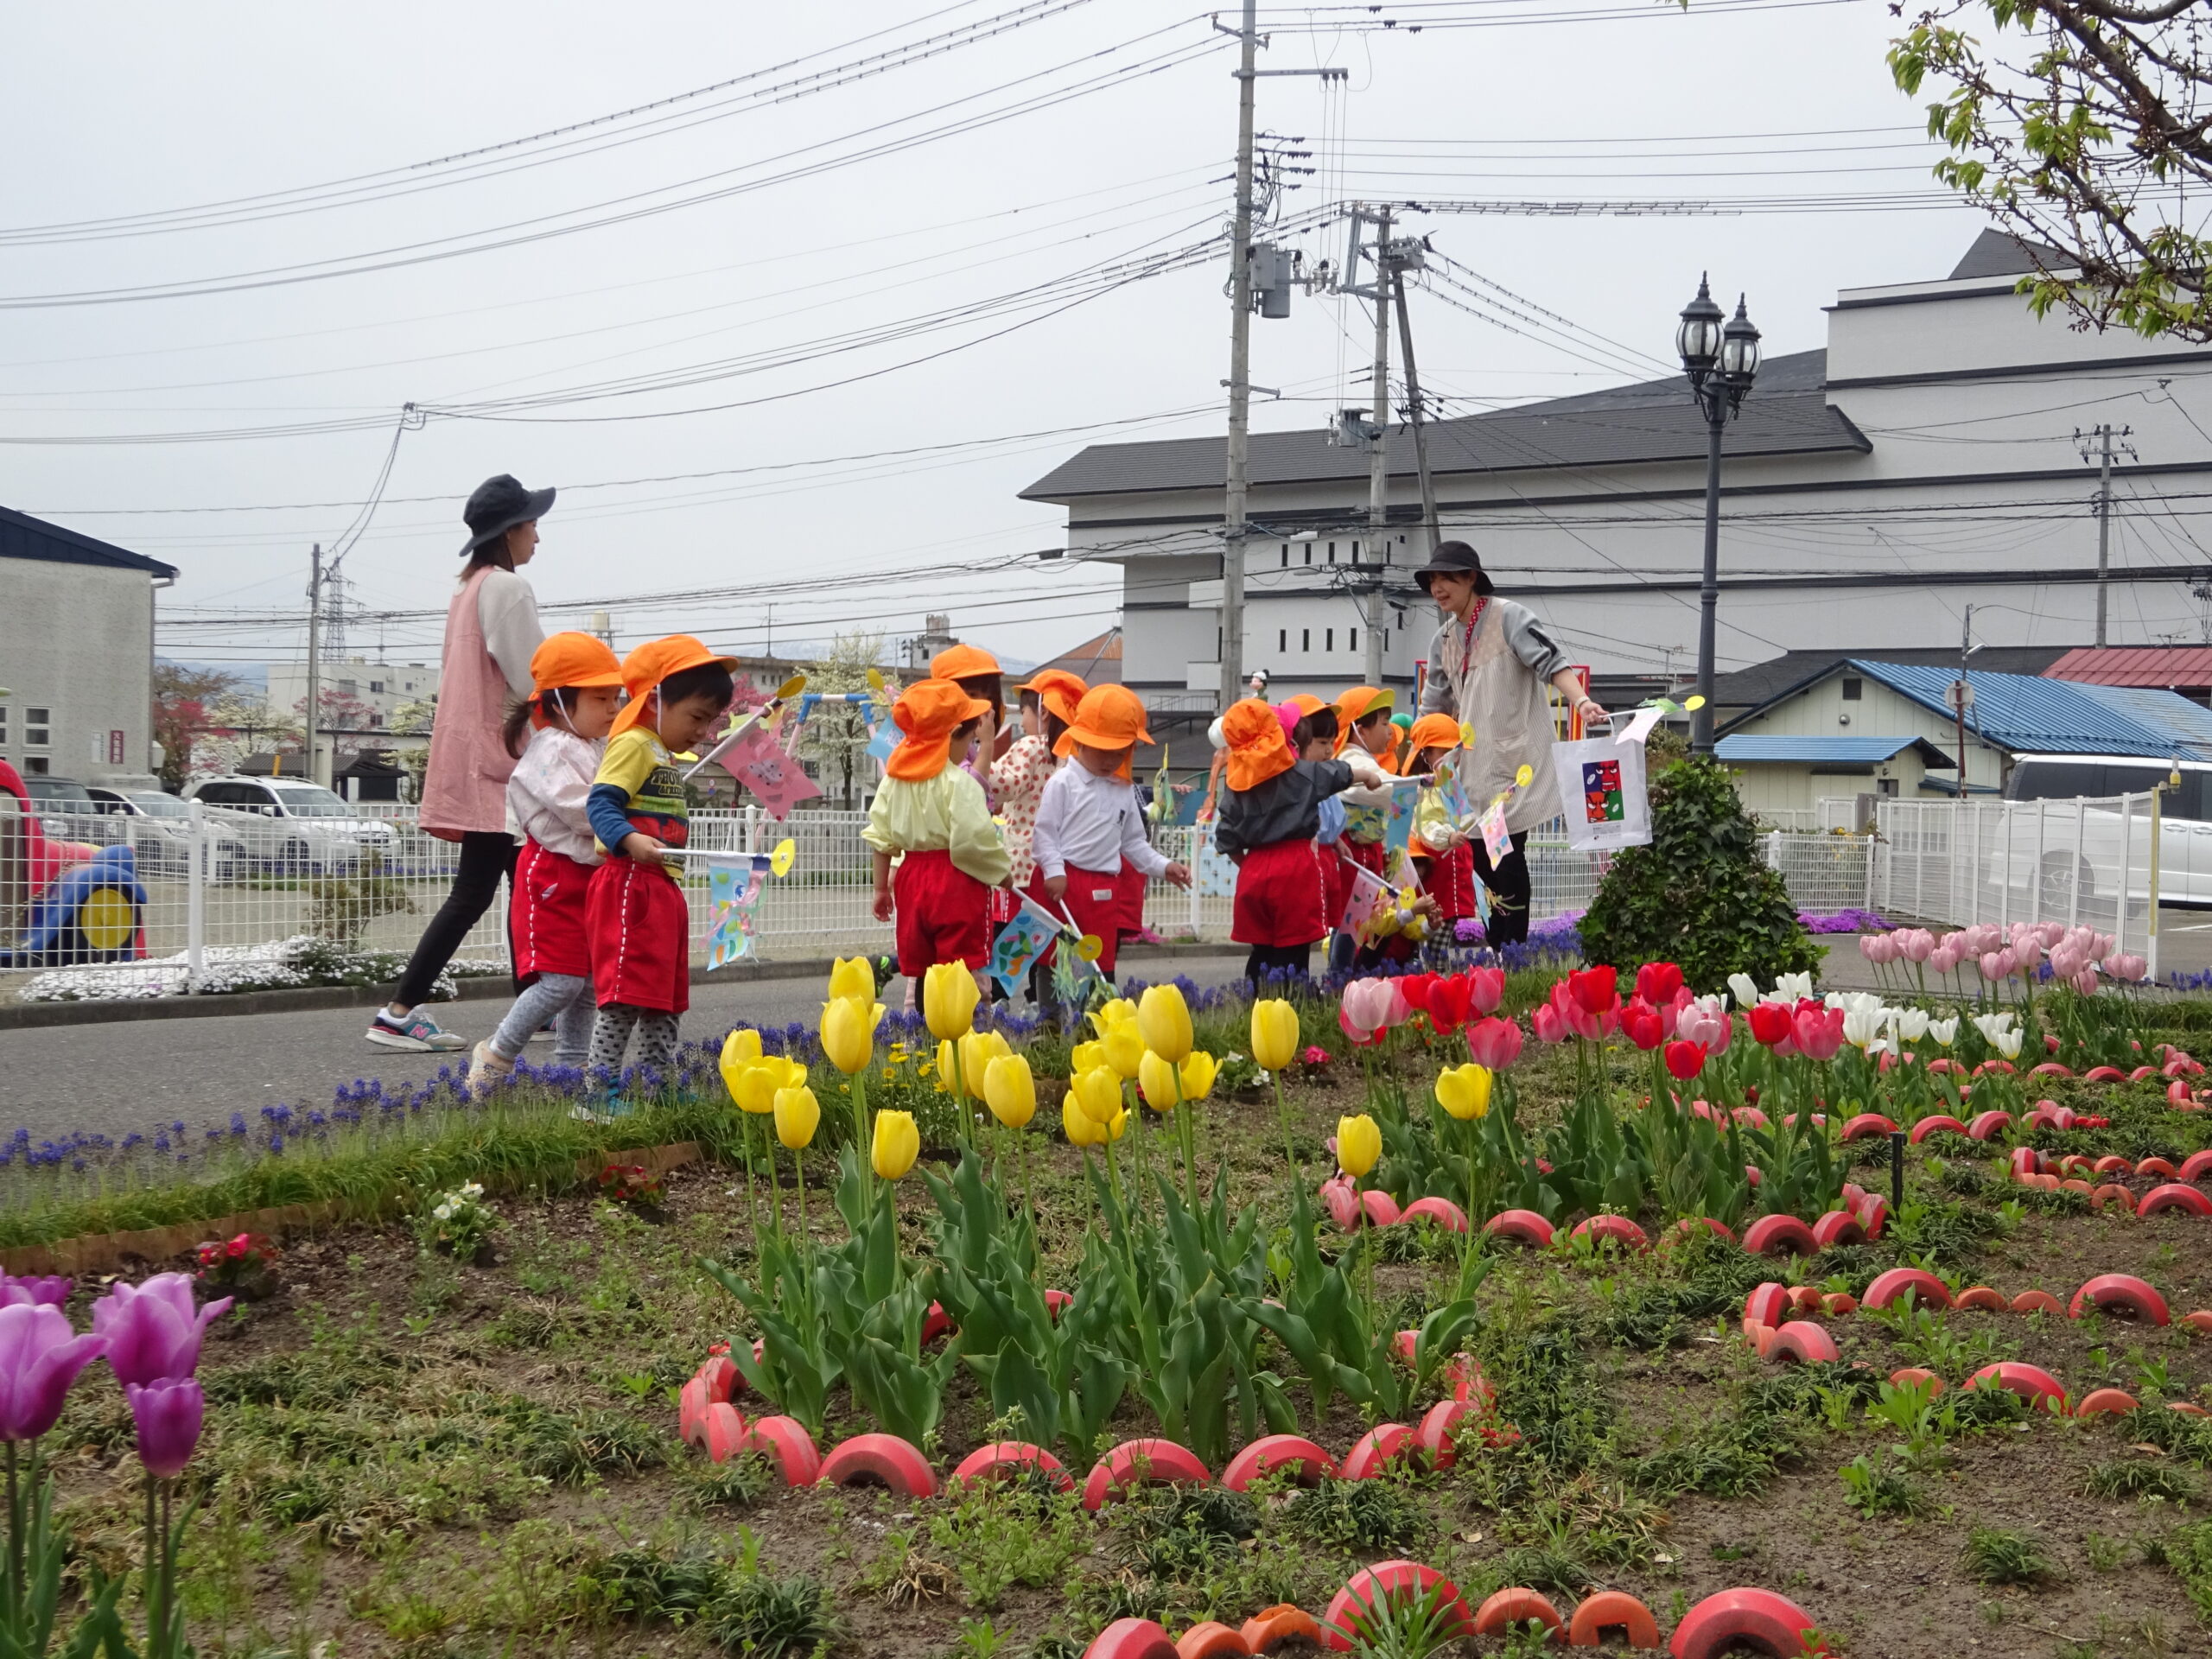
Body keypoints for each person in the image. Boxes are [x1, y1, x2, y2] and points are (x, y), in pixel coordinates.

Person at [369, 474, 553, 1052]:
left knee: (517, 886)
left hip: (474, 757)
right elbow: (534, 678)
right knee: (483, 892)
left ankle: (534, 1005)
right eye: (532, 525)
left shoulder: (468, 588)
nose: (538, 537)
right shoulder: (508, 588)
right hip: (501, 764)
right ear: (510, 531)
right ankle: (399, 1011)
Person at [1415, 539, 1607, 947]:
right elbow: (1433, 706)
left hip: (1513, 765)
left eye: (1447, 578)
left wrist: (1582, 702)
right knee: (1481, 861)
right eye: (1432, 580)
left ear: (1471, 578)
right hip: (1472, 767)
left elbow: (1552, 662)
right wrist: (1417, 756)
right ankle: (1499, 945)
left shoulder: (1508, 616)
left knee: (1505, 857)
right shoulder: (1443, 640)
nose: (1437, 588)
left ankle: (1511, 947)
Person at [468, 632, 624, 1082]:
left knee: (587, 982)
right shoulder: (553, 747)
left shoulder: (593, 744)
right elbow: (579, 809)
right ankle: (496, 1054)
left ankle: (571, 1069)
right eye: (600, 698)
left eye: (616, 697)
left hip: (587, 876)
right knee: (561, 982)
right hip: (553, 877)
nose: (613, 708)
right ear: (559, 703)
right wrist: (626, 817)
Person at [582, 635, 737, 1077]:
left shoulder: (659, 752)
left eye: (709, 721)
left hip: (661, 885)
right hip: (631, 881)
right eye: (696, 717)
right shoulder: (633, 743)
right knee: (626, 992)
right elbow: (600, 803)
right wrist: (629, 839)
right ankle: (599, 1090)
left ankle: (657, 1082)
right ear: (654, 700)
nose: (702, 732)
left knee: (664, 995)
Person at [1030, 684, 1190, 983]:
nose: (1110, 761)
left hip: (1104, 889)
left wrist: (1163, 866)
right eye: (1103, 752)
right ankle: (1051, 1014)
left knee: (1100, 965)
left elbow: (1133, 842)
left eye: (1119, 753)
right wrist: (1053, 871)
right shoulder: (1063, 783)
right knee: (1056, 962)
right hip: (1064, 882)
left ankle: (1100, 1011)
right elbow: (1044, 835)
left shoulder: (1123, 789)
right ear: (1080, 741)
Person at [865, 678, 1012, 995]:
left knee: (924, 968)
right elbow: (974, 840)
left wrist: (880, 889)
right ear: (952, 735)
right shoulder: (959, 782)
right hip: (955, 879)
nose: (968, 750)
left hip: (911, 879)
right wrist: (1002, 873)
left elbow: (879, 837)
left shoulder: (893, 782)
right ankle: (959, 1022)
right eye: (969, 741)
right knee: (959, 967)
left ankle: (924, 1021)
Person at [1214, 696, 1354, 986]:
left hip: (1254, 868)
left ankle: (1256, 1004)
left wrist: (1249, 864)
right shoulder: (1298, 773)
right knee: (1294, 951)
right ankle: (1289, 1006)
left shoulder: (1237, 783)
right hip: (1294, 868)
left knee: (1261, 951)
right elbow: (1335, 774)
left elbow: (1226, 836)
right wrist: (1366, 776)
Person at [1404, 711, 1480, 937]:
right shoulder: (1425, 789)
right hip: (1436, 868)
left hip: (1451, 867)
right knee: (1435, 922)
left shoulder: (1449, 784)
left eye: (1455, 752)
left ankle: (1436, 958)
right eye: (1446, 751)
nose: (1453, 759)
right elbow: (1426, 824)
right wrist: (1448, 836)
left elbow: (1463, 816)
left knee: (1446, 924)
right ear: (1426, 753)